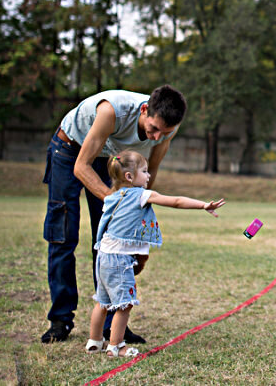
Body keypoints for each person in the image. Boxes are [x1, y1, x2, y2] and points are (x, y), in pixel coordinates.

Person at [41, 85, 187, 344]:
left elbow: (149, 172)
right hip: (70, 150)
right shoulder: (113, 111)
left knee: (114, 242)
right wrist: (116, 201)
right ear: (144, 110)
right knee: (63, 234)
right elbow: (81, 166)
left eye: (164, 133)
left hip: (109, 158)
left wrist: (137, 208)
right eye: (152, 129)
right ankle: (60, 320)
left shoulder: (167, 129)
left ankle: (112, 324)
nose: (155, 138)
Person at [85, 150, 225, 357]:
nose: (149, 175)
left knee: (103, 302)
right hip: (119, 259)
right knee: (125, 304)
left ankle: (95, 341)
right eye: (144, 171)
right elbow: (175, 201)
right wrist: (203, 205)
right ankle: (116, 347)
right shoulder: (141, 194)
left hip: (103, 255)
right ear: (130, 177)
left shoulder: (111, 197)